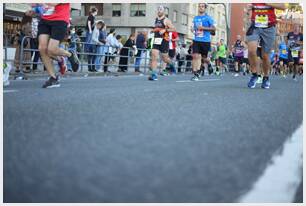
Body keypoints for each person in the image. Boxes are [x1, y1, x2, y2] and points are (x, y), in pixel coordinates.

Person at [31, 3, 79, 88]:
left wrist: (40, 3)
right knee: (42, 48)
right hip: (45, 19)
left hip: (60, 19)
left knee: (51, 50)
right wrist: (34, 9)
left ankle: (69, 54)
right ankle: (53, 78)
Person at [246, 3, 286, 89]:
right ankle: (254, 74)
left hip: (269, 27)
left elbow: (283, 7)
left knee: (265, 56)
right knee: (251, 51)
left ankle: (266, 77)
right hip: (255, 26)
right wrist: (249, 9)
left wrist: (268, 3)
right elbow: (248, 9)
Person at [148, 5, 176, 81]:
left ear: (164, 11)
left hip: (164, 40)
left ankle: (171, 65)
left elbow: (173, 29)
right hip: (156, 40)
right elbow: (156, 28)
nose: (159, 10)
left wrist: (165, 30)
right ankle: (154, 74)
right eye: (158, 9)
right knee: (154, 56)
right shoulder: (156, 19)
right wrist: (153, 30)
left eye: (161, 9)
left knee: (165, 59)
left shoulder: (166, 20)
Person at [190, 3, 216, 81]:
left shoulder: (208, 18)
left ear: (205, 8)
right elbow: (194, 27)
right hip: (196, 40)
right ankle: (196, 74)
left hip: (205, 41)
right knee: (195, 56)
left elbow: (214, 29)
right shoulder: (195, 18)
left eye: (202, 6)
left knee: (205, 58)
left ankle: (209, 64)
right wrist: (193, 29)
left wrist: (203, 28)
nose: (200, 8)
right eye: (199, 6)